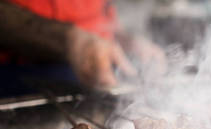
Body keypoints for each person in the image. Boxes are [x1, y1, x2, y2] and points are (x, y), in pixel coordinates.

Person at [0, 0, 165, 97]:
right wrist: (70, 38)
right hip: (18, 71)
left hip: (100, 65)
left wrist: (123, 38)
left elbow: (101, 8)